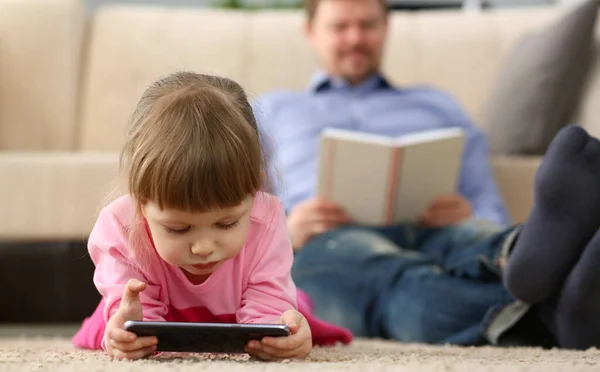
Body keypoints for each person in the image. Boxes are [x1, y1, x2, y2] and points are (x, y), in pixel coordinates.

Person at [253, 0, 600, 349]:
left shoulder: (438, 105)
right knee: (390, 275)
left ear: (386, 27)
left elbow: (488, 205)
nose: (356, 38)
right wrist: (286, 230)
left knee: (475, 235)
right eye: (340, 27)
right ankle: (559, 305)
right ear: (310, 31)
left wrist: (468, 213)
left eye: (368, 25)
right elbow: (233, 211)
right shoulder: (270, 110)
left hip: (435, 229)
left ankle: (524, 261)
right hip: (327, 243)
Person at [70, 72, 355, 361]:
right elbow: (138, 325)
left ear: (254, 190)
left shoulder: (266, 217)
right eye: (178, 228)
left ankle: (299, 299)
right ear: (142, 202)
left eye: (227, 223)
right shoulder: (119, 226)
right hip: (153, 308)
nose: (204, 247)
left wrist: (279, 333)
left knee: (293, 321)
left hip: (244, 303)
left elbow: (267, 312)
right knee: (110, 329)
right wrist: (127, 332)